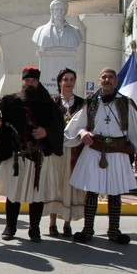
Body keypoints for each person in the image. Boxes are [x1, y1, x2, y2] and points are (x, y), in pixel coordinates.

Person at [64, 67, 137, 244]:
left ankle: (114, 231)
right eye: (104, 77)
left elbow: (135, 131)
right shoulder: (91, 102)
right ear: (99, 80)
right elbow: (77, 125)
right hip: (95, 150)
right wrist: (82, 133)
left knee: (115, 193)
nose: (107, 80)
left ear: (116, 81)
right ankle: (88, 229)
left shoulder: (126, 103)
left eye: (110, 77)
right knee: (92, 191)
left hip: (118, 152)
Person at [0, 67, 64, 242]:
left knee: (37, 195)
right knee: (14, 195)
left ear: (38, 82)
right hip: (16, 157)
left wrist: (46, 132)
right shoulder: (9, 102)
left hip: (39, 157)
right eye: (27, 81)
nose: (30, 84)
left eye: (33, 81)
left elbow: (58, 127)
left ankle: (34, 229)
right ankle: (10, 227)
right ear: (23, 81)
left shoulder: (48, 104)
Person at [45, 68, 85, 238]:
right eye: (65, 79)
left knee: (70, 185)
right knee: (56, 184)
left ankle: (67, 222)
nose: (69, 82)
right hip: (57, 151)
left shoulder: (82, 103)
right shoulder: (52, 102)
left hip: (75, 149)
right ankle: (52, 223)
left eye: (71, 79)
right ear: (60, 82)